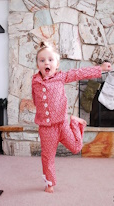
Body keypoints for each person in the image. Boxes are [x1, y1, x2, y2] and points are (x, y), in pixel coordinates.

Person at [32, 42, 112, 193]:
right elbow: (36, 99)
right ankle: (50, 183)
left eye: (50, 60)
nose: (46, 63)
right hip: (46, 128)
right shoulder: (35, 81)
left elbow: (79, 73)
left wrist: (99, 69)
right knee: (47, 157)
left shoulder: (61, 77)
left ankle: (75, 122)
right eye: (42, 60)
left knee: (76, 148)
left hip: (63, 123)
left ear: (57, 64)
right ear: (38, 64)